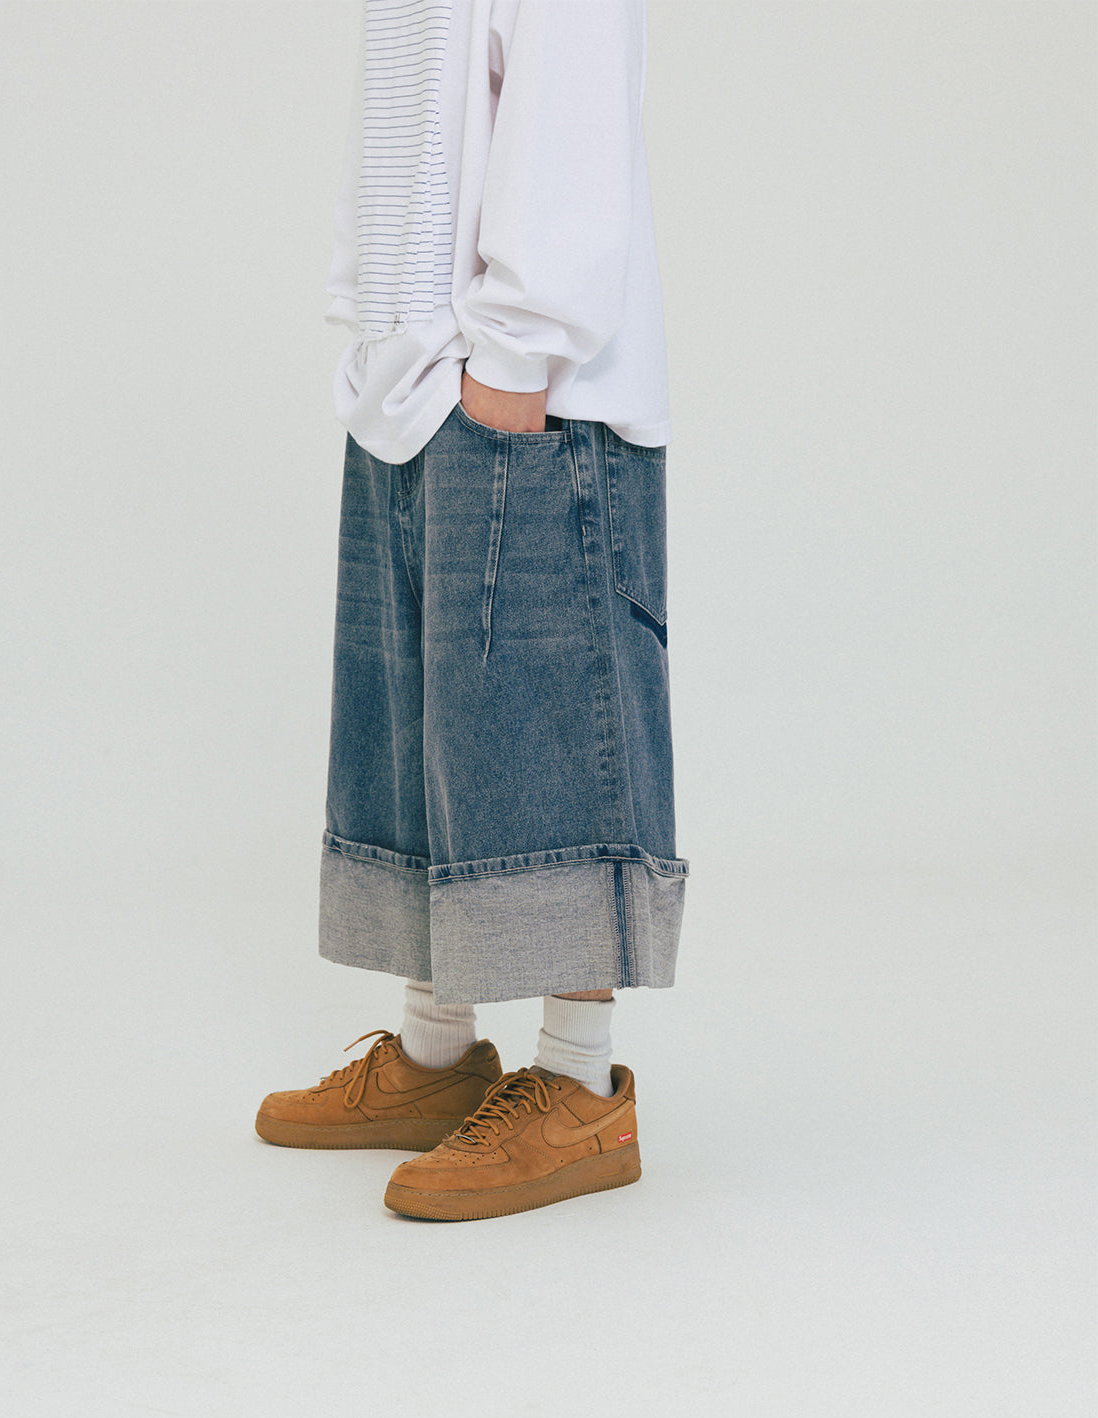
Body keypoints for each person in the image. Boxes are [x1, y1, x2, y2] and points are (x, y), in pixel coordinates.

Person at [255, 0, 688, 1220]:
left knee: (550, 728)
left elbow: (569, 127)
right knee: (424, 729)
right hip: (418, 378)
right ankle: (437, 1054)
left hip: (530, 390)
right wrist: (389, 348)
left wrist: (511, 362)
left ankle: (580, 1087)